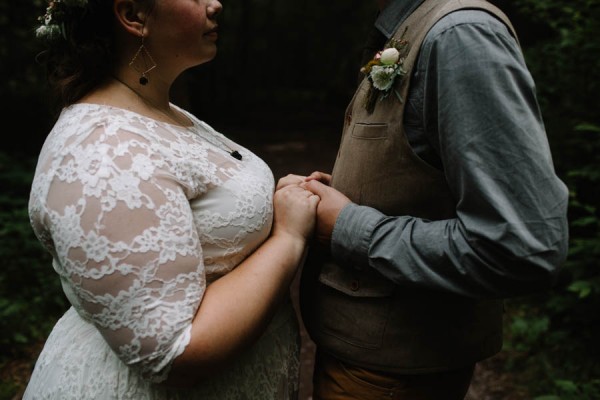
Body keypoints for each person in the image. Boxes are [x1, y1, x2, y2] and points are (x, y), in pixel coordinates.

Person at [24, 0, 319, 398]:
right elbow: (174, 354)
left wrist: (277, 200)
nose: (215, 4)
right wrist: (289, 237)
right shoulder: (105, 151)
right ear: (133, 16)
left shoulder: (157, 112)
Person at [298, 0, 569, 399]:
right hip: (367, 363)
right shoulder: (412, 26)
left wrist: (348, 226)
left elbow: (523, 245)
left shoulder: (460, 35)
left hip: (390, 381)